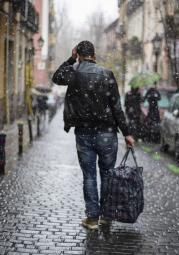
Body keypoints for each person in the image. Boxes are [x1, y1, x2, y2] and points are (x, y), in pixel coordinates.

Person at [52, 40, 135, 230]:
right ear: (95, 55)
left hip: (84, 132)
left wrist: (70, 60)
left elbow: (56, 78)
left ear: (79, 55)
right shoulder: (107, 74)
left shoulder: (73, 72)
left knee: (89, 176)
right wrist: (127, 133)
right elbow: (116, 107)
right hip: (107, 133)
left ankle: (92, 219)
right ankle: (106, 216)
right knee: (107, 175)